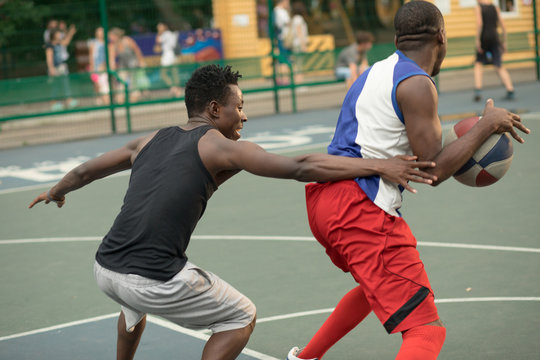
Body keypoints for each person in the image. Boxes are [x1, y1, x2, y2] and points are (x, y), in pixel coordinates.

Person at [29, 64, 439, 360]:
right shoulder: (220, 146)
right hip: (153, 278)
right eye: (238, 107)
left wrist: (58, 190)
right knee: (240, 316)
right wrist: (379, 165)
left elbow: (85, 170)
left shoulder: (150, 139)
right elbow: (301, 167)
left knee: (131, 303)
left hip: (106, 268)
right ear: (213, 110)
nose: (244, 115)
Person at [286, 2, 529, 360]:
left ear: (398, 38)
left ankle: (305, 357)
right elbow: (433, 171)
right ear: (441, 37)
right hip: (361, 207)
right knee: (426, 331)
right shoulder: (416, 84)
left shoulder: (372, 73)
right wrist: (486, 125)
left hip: (326, 201)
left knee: (372, 287)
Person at [473, 0, 515, 102]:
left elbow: (479, 24)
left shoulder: (478, 7)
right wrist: (504, 42)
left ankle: (478, 90)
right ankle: (510, 89)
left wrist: (477, 40)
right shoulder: (495, 7)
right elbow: (503, 25)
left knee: (478, 64)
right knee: (498, 65)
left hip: (484, 38)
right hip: (495, 37)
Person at [108, 27, 146, 103]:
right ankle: (121, 97)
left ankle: (134, 96)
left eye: (111, 36)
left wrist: (141, 61)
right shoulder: (112, 45)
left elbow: (137, 50)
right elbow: (111, 58)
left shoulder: (127, 40)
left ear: (116, 36)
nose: (110, 38)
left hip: (133, 63)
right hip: (123, 65)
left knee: (133, 82)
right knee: (122, 81)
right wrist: (112, 66)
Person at [45, 27, 78, 111]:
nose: (60, 35)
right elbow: (49, 58)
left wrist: (70, 33)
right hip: (55, 68)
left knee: (65, 83)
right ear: (54, 35)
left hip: (62, 67)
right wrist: (51, 69)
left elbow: (66, 42)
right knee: (55, 86)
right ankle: (53, 102)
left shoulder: (59, 43)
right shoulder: (49, 46)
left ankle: (69, 100)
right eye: (58, 33)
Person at [155, 22, 182, 97]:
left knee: (163, 73)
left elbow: (158, 40)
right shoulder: (170, 34)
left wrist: (159, 32)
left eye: (160, 27)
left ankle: (174, 88)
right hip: (171, 55)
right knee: (174, 73)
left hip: (168, 55)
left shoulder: (165, 34)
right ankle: (176, 90)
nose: (159, 29)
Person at [89, 27, 112, 105]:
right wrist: (92, 67)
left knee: (104, 85)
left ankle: (105, 99)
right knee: (97, 85)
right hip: (96, 68)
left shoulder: (107, 43)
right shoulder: (93, 43)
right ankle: (99, 98)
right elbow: (91, 56)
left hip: (104, 68)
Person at [289, 1, 309, 84]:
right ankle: (299, 83)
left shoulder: (294, 18)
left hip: (295, 44)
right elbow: (299, 32)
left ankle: (297, 82)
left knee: (297, 64)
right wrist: (303, 45)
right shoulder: (299, 19)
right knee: (299, 65)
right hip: (298, 44)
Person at [273, 0, 291, 84]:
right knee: (284, 59)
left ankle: (281, 78)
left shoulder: (275, 11)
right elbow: (287, 23)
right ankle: (285, 79)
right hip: (283, 38)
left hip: (279, 38)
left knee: (280, 59)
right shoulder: (281, 11)